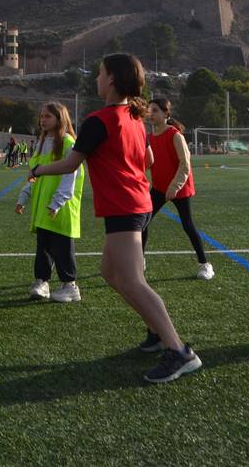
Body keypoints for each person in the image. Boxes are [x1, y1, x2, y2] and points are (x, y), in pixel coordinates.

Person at [31, 54, 202, 384]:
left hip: (126, 206)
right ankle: (156, 333)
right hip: (135, 203)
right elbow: (148, 159)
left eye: (99, 73)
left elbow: (70, 164)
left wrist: (38, 169)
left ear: (111, 79)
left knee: (133, 281)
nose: (96, 79)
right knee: (111, 273)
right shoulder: (135, 117)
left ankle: (179, 351)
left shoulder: (99, 120)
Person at [15, 102, 84, 303]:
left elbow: (70, 176)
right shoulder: (41, 143)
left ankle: (70, 285)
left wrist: (57, 202)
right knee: (43, 245)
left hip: (61, 207)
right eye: (41, 116)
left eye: (48, 116)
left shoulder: (68, 143)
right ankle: (42, 282)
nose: (42, 120)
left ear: (59, 119)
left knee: (62, 246)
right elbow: (35, 174)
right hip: (42, 206)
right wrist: (24, 197)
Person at [144, 99, 215, 281]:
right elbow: (147, 162)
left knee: (188, 225)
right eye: (149, 110)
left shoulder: (175, 135)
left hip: (179, 188)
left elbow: (185, 164)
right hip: (159, 188)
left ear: (166, 114)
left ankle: (205, 264)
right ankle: (138, 261)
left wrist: (174, 187)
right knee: (142, 222)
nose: (151, 114)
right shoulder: (149, 138)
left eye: (155, 110)